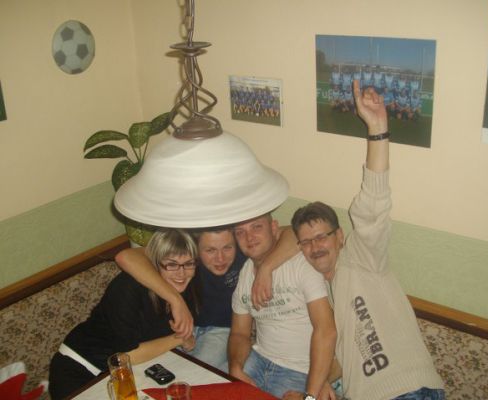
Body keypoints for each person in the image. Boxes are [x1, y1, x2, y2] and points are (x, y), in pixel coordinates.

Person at [289, 80, 445, 400]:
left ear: (340, 236)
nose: (315, 247)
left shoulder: (361, 257)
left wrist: (377, 129)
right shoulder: (324, 293)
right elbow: (345, 360)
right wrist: (318, 385)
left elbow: (373, 203)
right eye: (306, 242)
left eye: (322, 237)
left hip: (408, 390)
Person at [115, 226, 299, 373]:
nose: (220, 258)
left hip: (221, 331)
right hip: (180, 329)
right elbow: (126, 256)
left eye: (227, 248)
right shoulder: (188, 256)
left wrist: (266, 269)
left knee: (194, 376)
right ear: (196, 250)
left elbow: (295, 233)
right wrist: (176, 300)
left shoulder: (242, 247)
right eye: (210, 250)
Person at [48, 229, 198, 399]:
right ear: (155, 264)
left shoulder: (186, 289)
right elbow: (127, 356)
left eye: (189, 264)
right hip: (79, 369)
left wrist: (186, 339)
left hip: (128, 372)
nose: (181, 273)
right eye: (171, 265)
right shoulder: (127, 288)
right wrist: (179, 338)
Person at [228, 214, 337, 400]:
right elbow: (239, 333)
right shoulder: (245, 273)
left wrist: (310, 395)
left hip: (301, 370)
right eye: (240, 232)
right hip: (258, 359)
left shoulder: (301, 264)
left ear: (274, 228)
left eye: (256, 227)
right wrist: (235, 367)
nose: (249, 237)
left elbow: (326, 330)